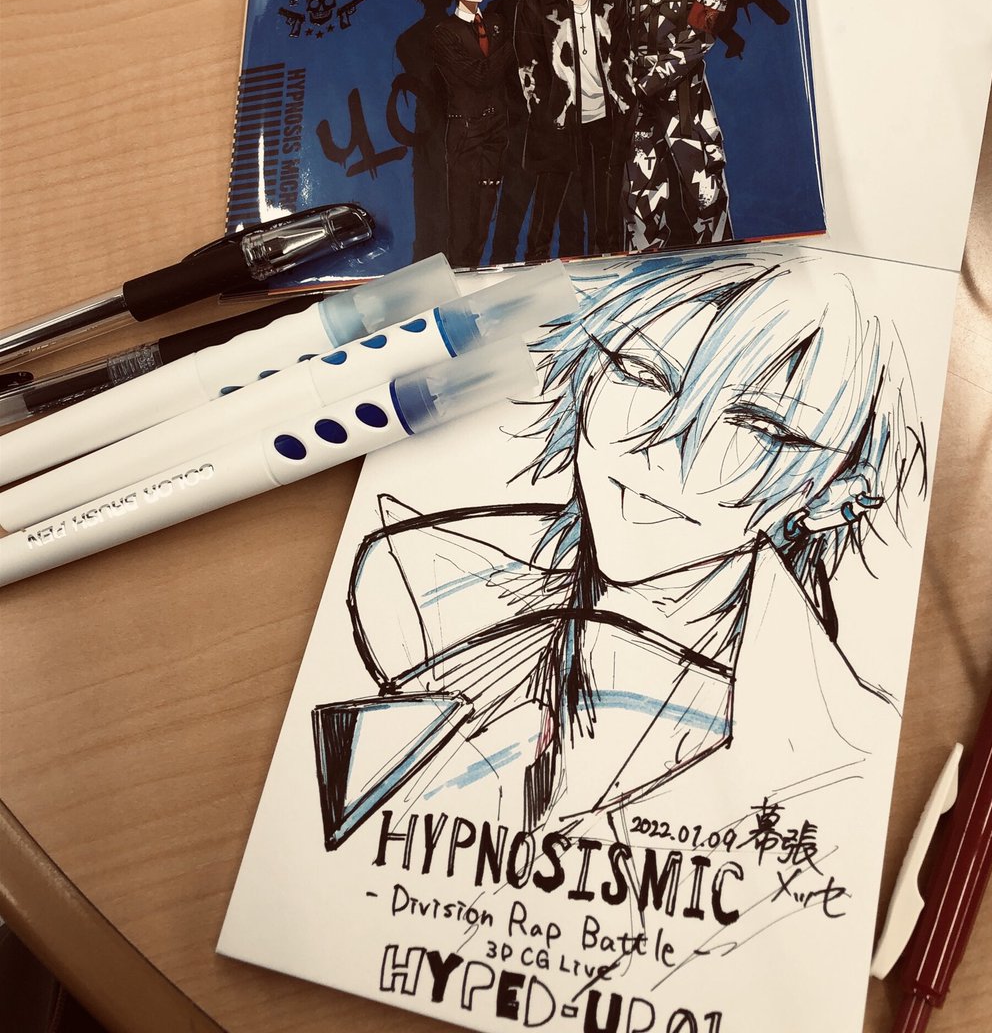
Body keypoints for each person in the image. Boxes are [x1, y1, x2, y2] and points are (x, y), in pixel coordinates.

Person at [315, 250, 926, 843]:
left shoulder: (840, 748)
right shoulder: (422, 582)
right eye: (643, 371)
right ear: (585, 371)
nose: (663, 446)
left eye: (763, 426)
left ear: (838, 496)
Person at [513, 0, 635, 259]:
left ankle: (607, 261)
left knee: (605, 200)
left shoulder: (612, 2)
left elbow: (623, 56)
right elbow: (528, 66)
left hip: (604, 114)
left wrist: (625, 100)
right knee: (549, 196)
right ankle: (536, 260)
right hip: (560, 116)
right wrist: (544, 111)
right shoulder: (535, 5)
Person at [622, 0, 736, 249]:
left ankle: (720, 260)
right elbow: (625, 38)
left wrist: (651, 81)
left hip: (686, 95)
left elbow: (700, 36)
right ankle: (644, 263)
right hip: (641, 100)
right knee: (640, 190)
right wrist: (630, 84)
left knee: (703, 187)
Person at [431, 0, 513, 267]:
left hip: (496, 127)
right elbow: (480, 75)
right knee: (463, 212)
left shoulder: (495, 22)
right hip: (465, 130)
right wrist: (511, 46)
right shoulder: (445, 33)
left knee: (485, 208)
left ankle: (474, 268)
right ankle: (459, 271)